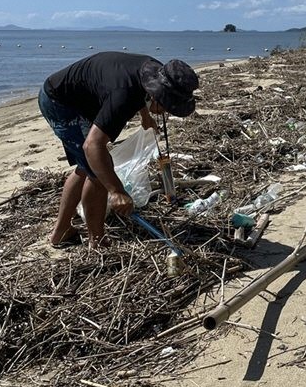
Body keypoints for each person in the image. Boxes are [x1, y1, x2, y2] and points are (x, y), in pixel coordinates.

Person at [38, 52, 198, 248]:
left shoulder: (155, 71)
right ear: (156, 94)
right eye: (167, 105)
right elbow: (92, 145)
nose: (166, 111)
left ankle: (61, 231)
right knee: (97, 172)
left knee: (86, 167)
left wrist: (145, 116)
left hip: (83, 98)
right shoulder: (122, 96)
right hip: (60, 102)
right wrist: (116, 191)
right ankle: (97, 240)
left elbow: (138, 87)